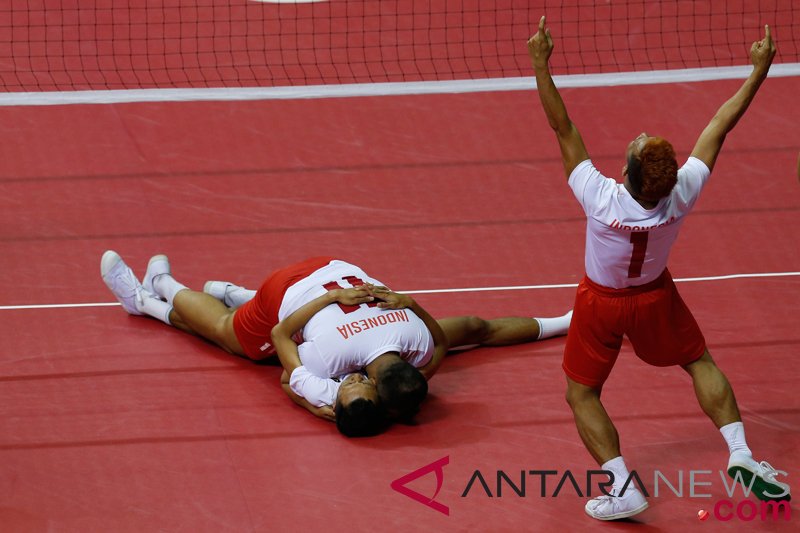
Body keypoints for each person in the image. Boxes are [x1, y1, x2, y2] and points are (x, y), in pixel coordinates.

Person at [527, 17, 789, 520]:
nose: (639, 134)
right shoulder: (682, 191)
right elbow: (721, 124)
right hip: (656, 297)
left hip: (600, 304)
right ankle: (740, 453)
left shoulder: (600, 197)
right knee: (700, 363)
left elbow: (562, 126)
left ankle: (623, 487)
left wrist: (540, 63)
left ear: (626, 174)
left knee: (581, 393)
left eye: (636, 144)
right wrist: (759, 70)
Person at [101, 251, 572, 436]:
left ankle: (154, 301)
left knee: (473, 327)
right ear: (370, 385)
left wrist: (408, 303)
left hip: (336, 263)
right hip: (285, 293)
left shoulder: (417, 339)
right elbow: (281, 351)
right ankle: (158, 291)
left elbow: (458, 340)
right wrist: (314, 407)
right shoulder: (328, 361)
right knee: (233, 339)